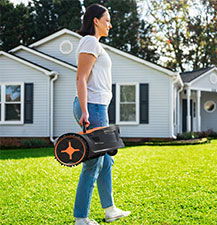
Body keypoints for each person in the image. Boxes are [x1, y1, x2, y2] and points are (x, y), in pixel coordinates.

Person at [72, 4, 130, 225]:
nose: (110, 24)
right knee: (93, 163)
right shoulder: (89, 42)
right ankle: (81, 218)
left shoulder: (95, 44)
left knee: (106, 161)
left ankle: (110, 209)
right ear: (95, 20)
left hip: (98, 107)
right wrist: (86, 111)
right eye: (107, 20)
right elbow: (81, 78)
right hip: (92, 107)